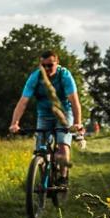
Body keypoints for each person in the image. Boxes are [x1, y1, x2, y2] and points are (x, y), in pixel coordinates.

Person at [8, 50, 84, 178]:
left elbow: (74, 101)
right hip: (44, 115)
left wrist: (77, 123)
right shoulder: (35, 77)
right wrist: (14, 123)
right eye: (43, 66)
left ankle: (62, 178)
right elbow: (23, 102)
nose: (47, 69)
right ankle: (43, 177)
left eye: (50, 65)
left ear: (57, 63)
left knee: (62, 144)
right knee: (40, 149)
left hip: (64, 114)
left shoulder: (64, 76)